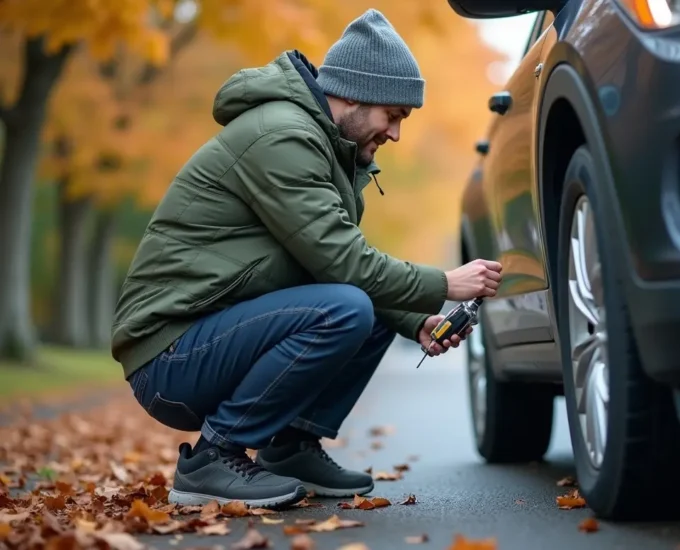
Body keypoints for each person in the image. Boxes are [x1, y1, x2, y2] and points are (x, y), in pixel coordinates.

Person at [111, 8, 503, 509]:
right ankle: (212, 458)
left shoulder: (320, 143)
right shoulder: (282, 136)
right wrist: (445, 283)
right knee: (349, 304)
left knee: (368, 304)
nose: (396, 134)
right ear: (356, 94)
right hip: (169, 357)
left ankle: (290, 446)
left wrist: (413, 320)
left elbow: (335, 267)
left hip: (206, 340)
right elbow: (342, 263)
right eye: (394, 115)